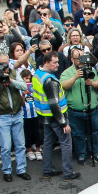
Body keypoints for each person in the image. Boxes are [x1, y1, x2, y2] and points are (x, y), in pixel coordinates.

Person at [33, 51, 80, 181]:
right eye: (54, 62)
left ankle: (47, 170)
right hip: (56, 117)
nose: (57, 65)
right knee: (66, 143)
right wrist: (63, 122)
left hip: (44, 116)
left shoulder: (37, 75)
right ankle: (68, 173)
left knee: (48, 143)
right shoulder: (50, 80)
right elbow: (54, 104)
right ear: (46, 63)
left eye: (58, 62)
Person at [0, 52, 31, 182]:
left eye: (6, 63)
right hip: (2, 116)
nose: (5, 67)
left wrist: (10, 80)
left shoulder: (13, 72)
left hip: (17, 113)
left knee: (20, 144)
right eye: (1, 64)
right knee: (6, 146)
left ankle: (21, 170)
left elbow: (24, 86)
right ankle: (7, 171)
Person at [61, 48, 98, 166]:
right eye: (78, 58)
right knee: (78, 134)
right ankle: (81, 154)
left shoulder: (91, 69)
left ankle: (96, 152)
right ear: (72, 59)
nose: (81, 61)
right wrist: (75, 77)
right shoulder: (67, 72)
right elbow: (63, 86)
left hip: (92, 110)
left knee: (94, 132)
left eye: (83, 57)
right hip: (75, 112)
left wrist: (92, 83)